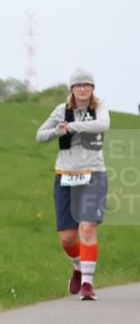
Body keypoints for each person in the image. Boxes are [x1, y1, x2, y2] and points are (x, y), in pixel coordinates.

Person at [35, 69, 110, 301]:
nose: (83, 89)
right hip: (65, 176)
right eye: (78, 85)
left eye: (87, 85)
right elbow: (40, 135)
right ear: (72, 89)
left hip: (93, 175)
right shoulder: (62, 110)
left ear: (93, 88)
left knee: (87, 227)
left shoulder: (99, 108)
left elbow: (102, 125)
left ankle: (87, 284)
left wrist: (74, 127)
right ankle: (78, 267)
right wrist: (59, 129)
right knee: (67, 238)